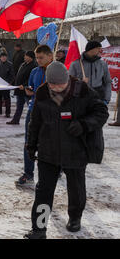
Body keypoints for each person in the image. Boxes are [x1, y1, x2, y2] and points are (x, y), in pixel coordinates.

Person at [24, 62, 109, 239]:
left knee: (76, 188)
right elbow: (35, 122)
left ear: (67, 80)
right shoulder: (42, 93)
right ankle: (39, 228)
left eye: (59, 84)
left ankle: (75, 217)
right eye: (52, 84)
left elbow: (101, 112)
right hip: (48, 151)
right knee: (43, 191)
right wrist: (31, 145)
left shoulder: (83, 91)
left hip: (75, 150)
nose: (55, 88)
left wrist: (84, 125)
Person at [16, 45, 54, 186]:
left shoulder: (58, 71)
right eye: (37, 58)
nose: (38, 60)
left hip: (51, 112)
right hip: (33, 111)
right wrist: (28, 90)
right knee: (29, 142)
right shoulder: (34, 71)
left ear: (50, 56)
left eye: (41, 57)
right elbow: (31, 89)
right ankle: (28, 173)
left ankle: (54, 170)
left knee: (50, 142)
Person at [69, 41, 112, 105]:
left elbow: (108, 82)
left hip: (99, 98)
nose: (100, 50)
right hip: (81, 98)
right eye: (98, 48)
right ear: (91, 49)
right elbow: (70, 82)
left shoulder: (102, 64)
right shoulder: (76, 64)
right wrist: (80, 82)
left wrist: (106, 99)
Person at [7, 51, 37, 125]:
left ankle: (33, 120)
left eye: (26, 56)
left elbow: (31, 79)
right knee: (19, 106)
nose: (24, 57)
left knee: (31, 106)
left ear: (30, 57)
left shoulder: (33, 66)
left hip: (27, 90)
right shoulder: (23, 64)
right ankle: (15, 120)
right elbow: (18, 75)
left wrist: (24, 86)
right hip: (19, 89)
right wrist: (12, 83)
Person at [0, 53, 14, 118]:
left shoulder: (10, 65)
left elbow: (12, 75)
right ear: (0, 58)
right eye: (2, 57)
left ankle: (8, 113)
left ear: (6, 57)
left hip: (6, 84)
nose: (3, 58)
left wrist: (10, 82)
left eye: (5, 57)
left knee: (6, 99)